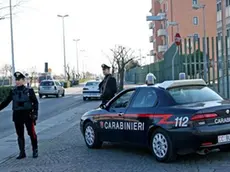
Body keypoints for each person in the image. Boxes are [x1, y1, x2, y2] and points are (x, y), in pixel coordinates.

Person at [0, 71, 39, 159]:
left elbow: (35, 103)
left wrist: (35, 113)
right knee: (20, 134)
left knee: (31, 133)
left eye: (19, 79)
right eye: (16, 80)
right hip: (17, 115)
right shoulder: (13, 91)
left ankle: (35, 150)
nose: (17, 81)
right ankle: (22, 152)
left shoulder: (29, 91)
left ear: (23, 80)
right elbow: (6, 102)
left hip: (28, 115)